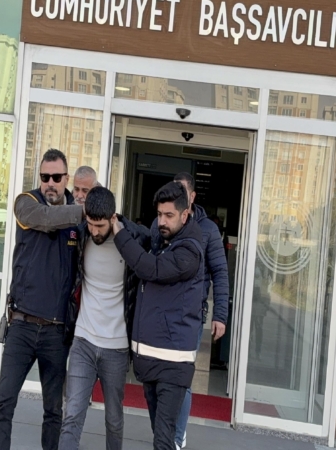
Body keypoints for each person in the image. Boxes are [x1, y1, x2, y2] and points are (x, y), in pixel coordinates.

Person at [0, 149, 84, 450]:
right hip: (22, 325)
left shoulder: (77, 222)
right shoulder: (26, 204)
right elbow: (47, 219)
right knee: (4, 402)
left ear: (66, 178)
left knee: (53, 411)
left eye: (56, 177)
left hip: (56, 333)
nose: (50, 183)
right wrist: (84, 210)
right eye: (45, 177)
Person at [112, 181, 204, 450]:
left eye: (169, 215)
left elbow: (149, 268)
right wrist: (118, 220)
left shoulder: (188, 251)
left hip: (173, 364)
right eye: (159, 214)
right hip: (152, 360)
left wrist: (118, 233)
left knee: (163, 439)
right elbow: (142, 233)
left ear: (185, 215)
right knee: (159, 434)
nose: (162, 221)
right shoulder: (163, 239)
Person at [58, 187, 150, 450]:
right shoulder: (81, 235)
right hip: (83, 341)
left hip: (116, 347)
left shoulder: (135, 238)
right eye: (90, 223)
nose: (94, 231)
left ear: (113, 218)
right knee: (72, 414)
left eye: (99, 226)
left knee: (114, 419)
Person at [168, 172, 229, 449]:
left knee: (183, 378)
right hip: (163, 312)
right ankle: (164, 431)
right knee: (161, 377)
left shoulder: (208, 230)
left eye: (182, 192)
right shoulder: (163, 222)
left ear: (192, 196)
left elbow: (220, 272)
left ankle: (177, 437)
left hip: (192, 314)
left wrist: (220, 315)